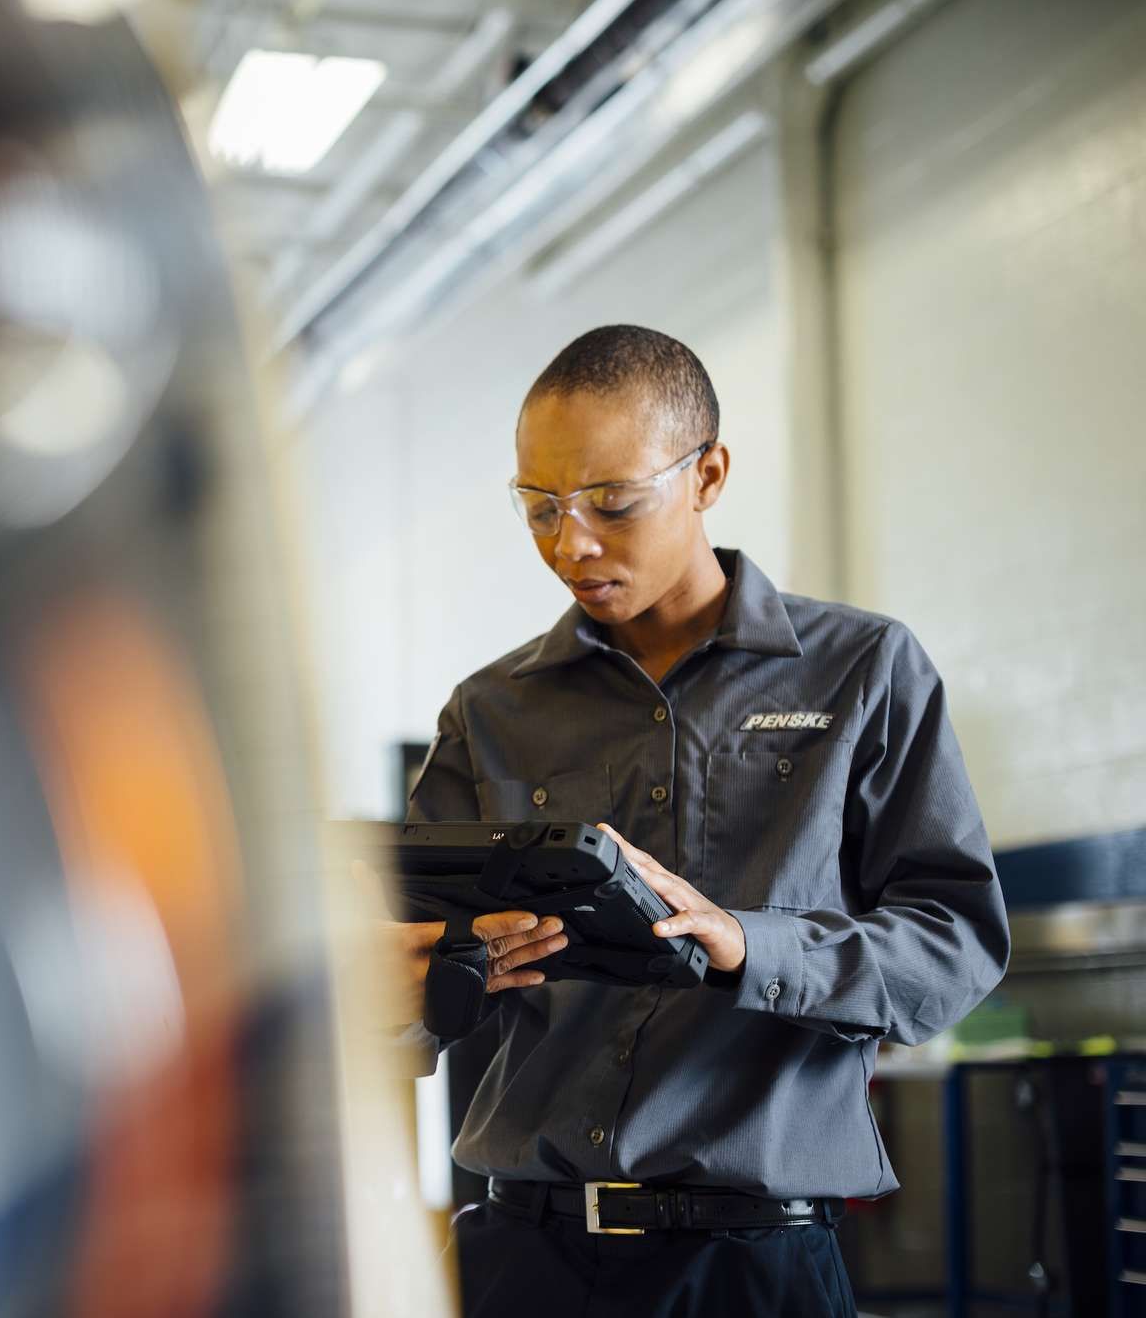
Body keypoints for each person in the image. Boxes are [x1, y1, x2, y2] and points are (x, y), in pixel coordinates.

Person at [389, 325, 1010, 1317]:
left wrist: (744, 946)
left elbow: (952, 950)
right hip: (523, 1258)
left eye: (610, 503)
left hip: (750, 1269)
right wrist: (407, 981)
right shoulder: (489, 710)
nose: (570, 543)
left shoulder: (861, 672)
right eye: (538, 508)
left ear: (707, 473)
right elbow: (409, 986)